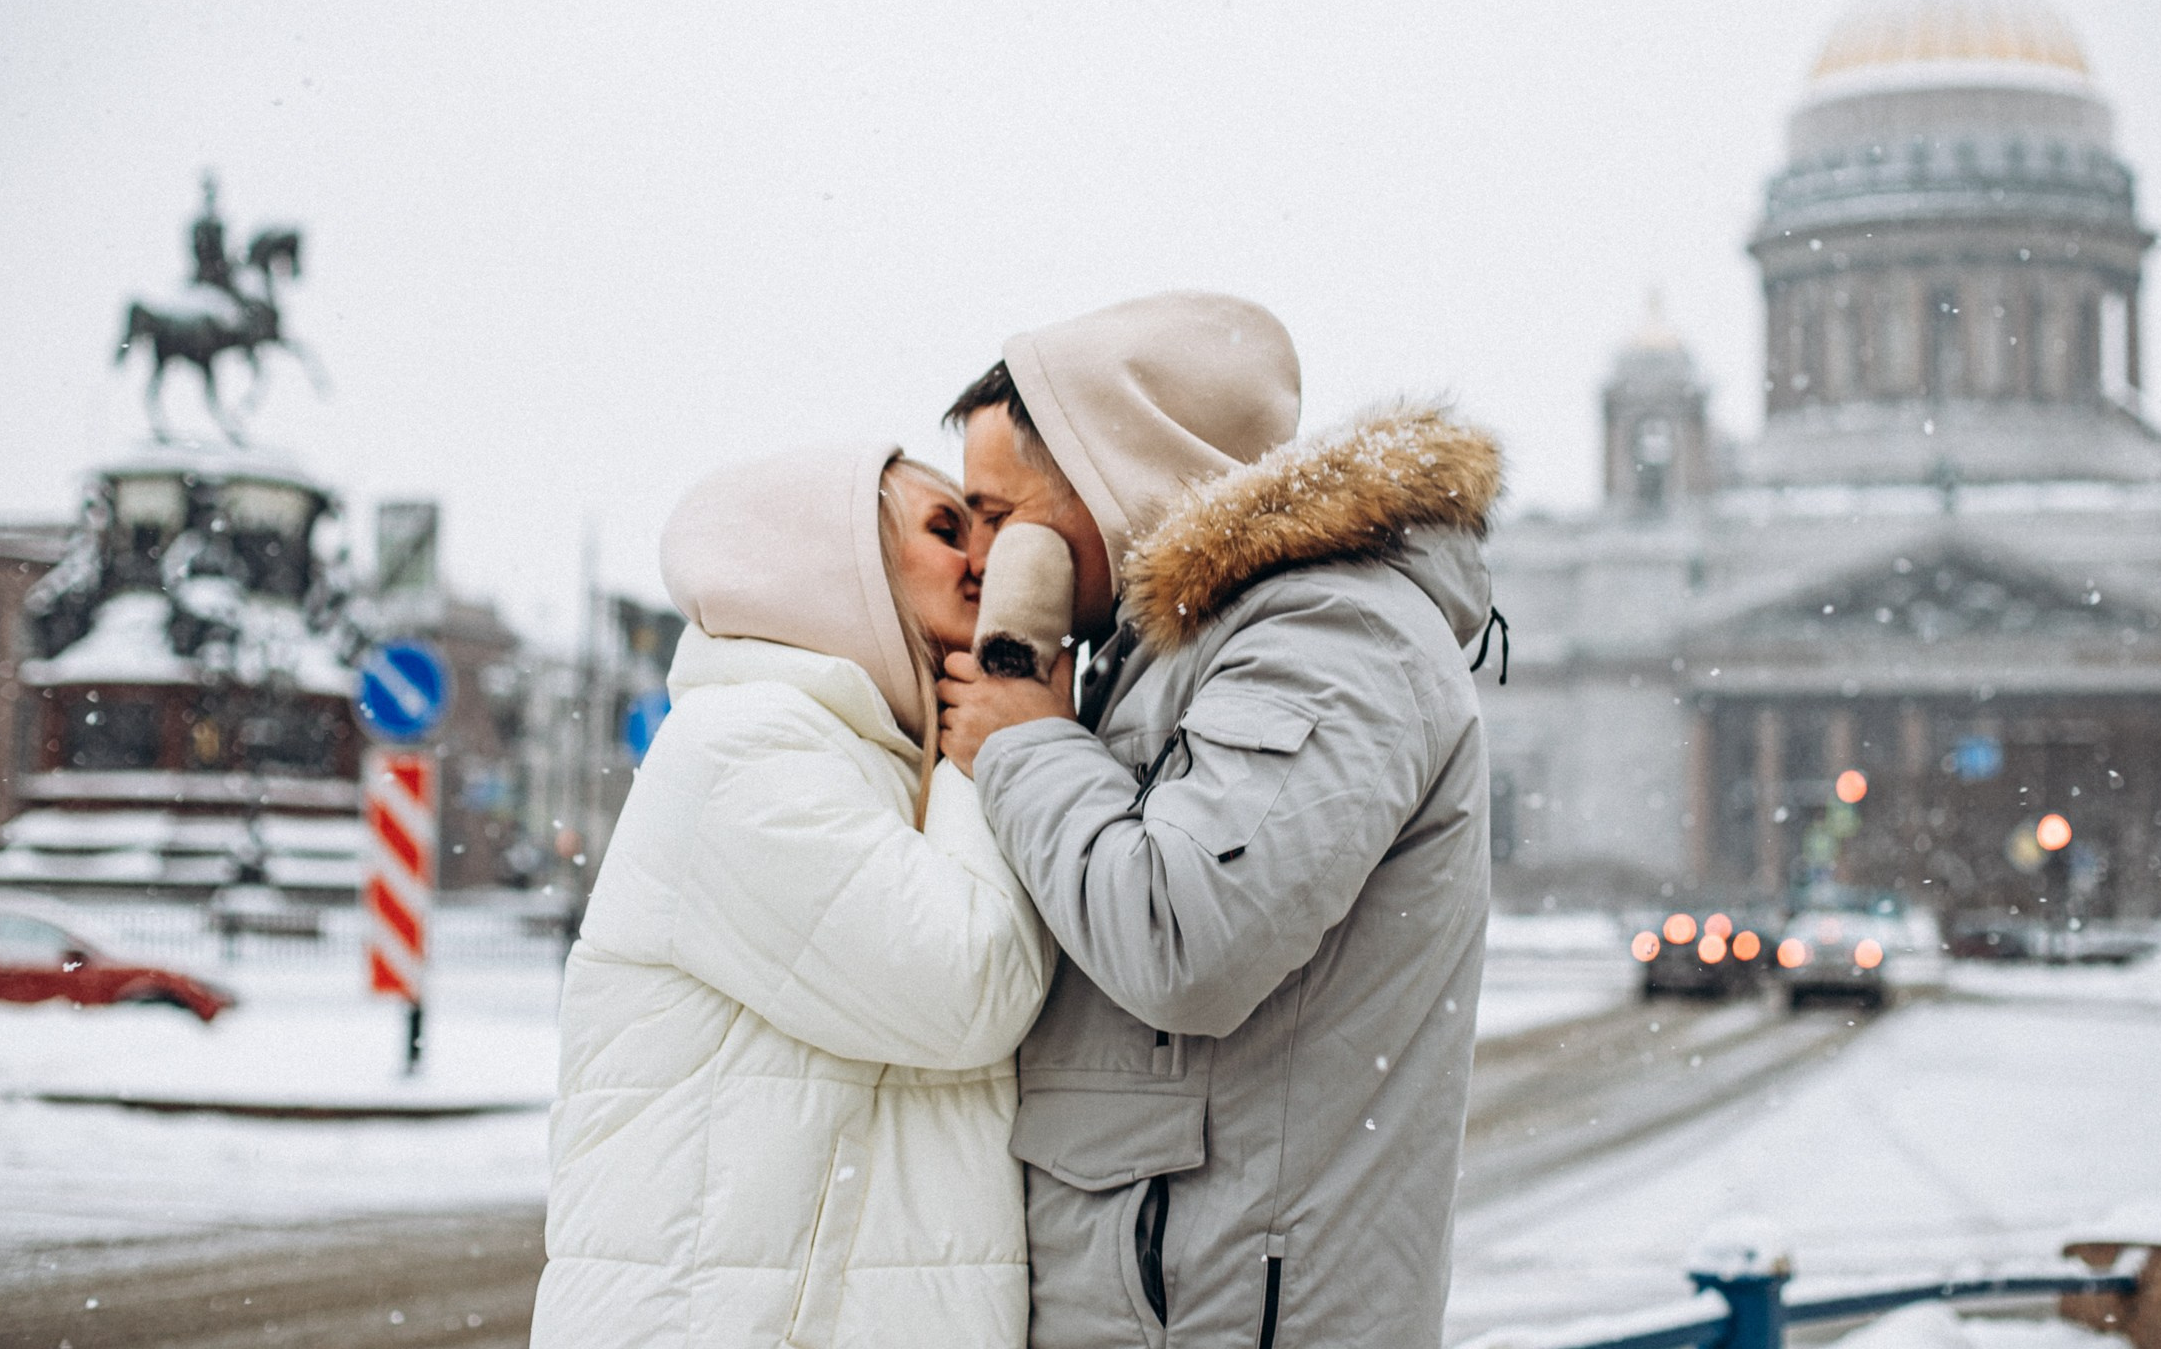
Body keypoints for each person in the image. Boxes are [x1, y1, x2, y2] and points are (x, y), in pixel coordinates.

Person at [937, 292, 1504, 1349]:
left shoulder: (1334, 629)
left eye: (998, 514)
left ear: (1110, 477)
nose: (978, 560)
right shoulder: (1158, 661)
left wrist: (1023, 742)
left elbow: (1188, 938)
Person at [532, 446, 1054, 1349]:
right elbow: (965, 985)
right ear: (835, 558)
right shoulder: (742, 747)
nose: (985, 561)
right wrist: (991, 757)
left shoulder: (871, 761)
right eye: (944, 529)